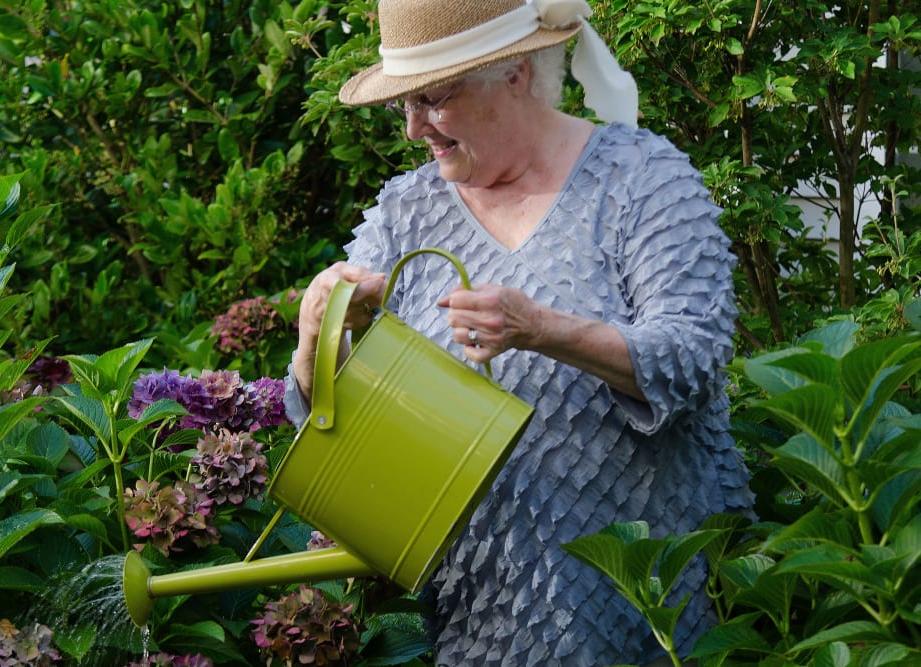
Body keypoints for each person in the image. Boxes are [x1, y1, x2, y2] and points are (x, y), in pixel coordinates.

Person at [282, 0, 754, 664]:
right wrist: (316, 337)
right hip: (479, 628)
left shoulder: (640, 178)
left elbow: (696, 357)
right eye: (404, 105)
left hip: (654, 619)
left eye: (432, 99)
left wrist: (544, 328)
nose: (415, 127)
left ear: (514, 74)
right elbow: (334, 427)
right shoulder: (403, 213)